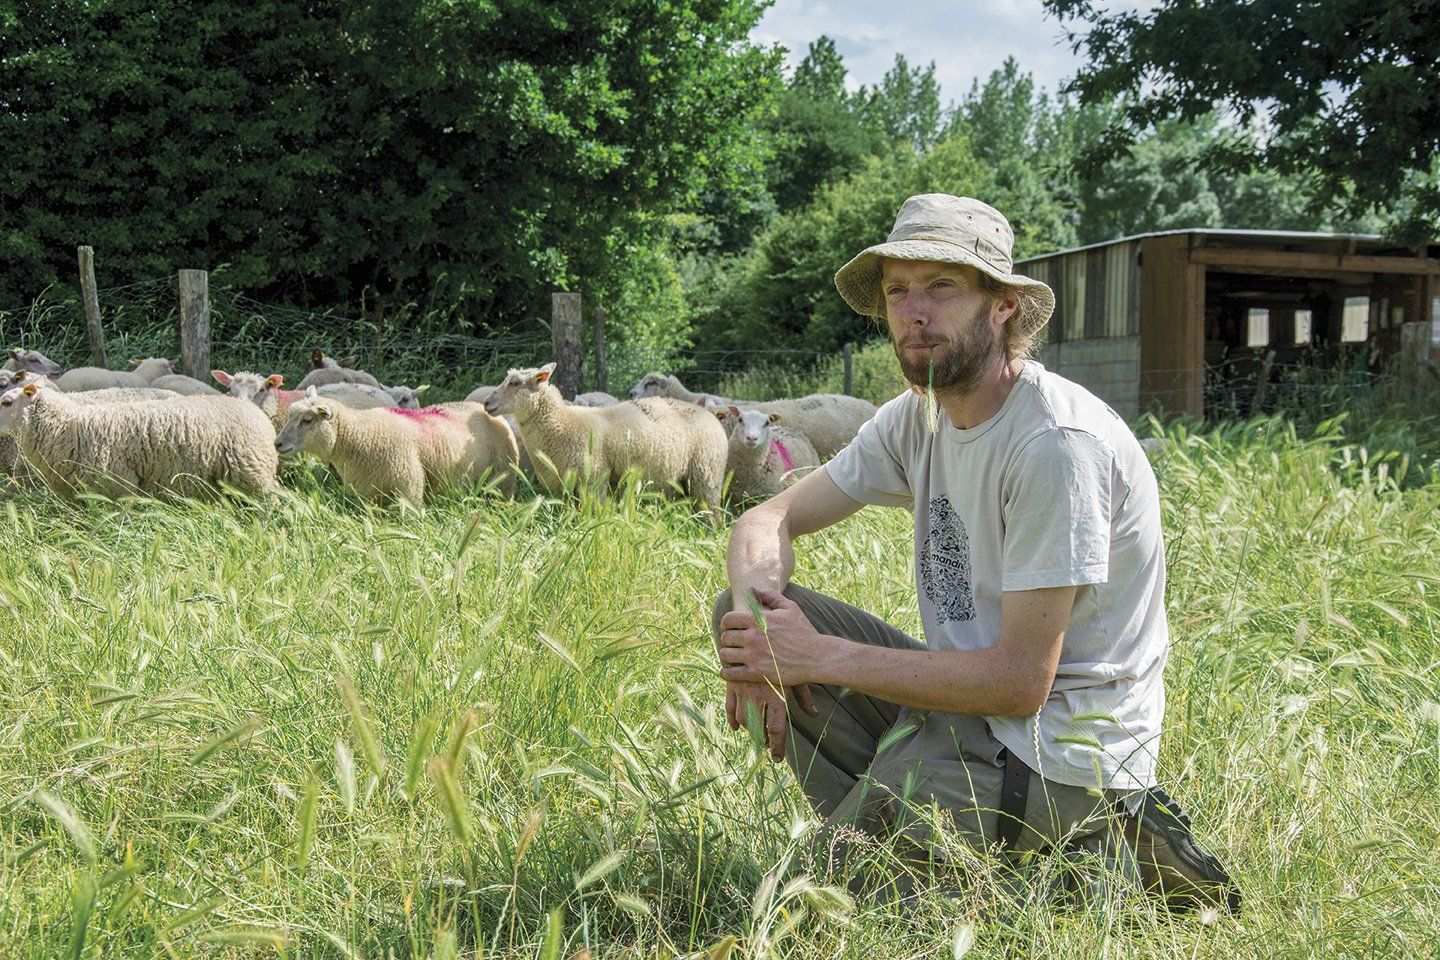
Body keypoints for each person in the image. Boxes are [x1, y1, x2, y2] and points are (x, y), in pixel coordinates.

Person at [711, 194, 1233, 906]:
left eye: (942, 287)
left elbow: (1022, 684)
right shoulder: (914, 421)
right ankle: (931, 839)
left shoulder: (1055, 444)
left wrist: (816, 657)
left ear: (1003, 307)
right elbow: (765, 520)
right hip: (962, 708)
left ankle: (1092, 847)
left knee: (827, 896)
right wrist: (754, 636)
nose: (912, 311)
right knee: (747, 616)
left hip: (1055, 742)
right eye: (898, 291)